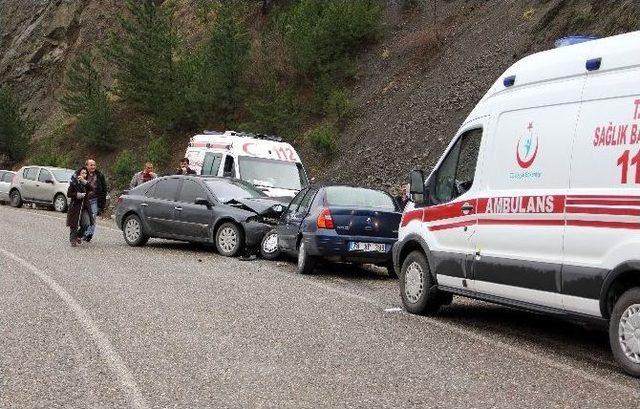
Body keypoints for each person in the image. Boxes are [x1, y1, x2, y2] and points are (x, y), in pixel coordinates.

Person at [67, 167, 94, 247]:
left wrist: (84, 182)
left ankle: (79, 235)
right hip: (75, 206)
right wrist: (77, 195)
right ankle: (72, 239)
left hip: (85, 207)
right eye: (83, 173)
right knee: (74, 224)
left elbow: (91, 188)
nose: (84, 175)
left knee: (87, 223)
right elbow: (69, 194)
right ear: (79, 174)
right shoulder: (74, 183)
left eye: (85, 173)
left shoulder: (86, 183)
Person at [83, 159, 108, 242]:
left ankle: (89, 234)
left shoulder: (99, 175)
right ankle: (83, 232)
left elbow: (104, 189)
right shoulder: (82, 174)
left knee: (92, 217)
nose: (93, 167)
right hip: (83, 200)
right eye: (91, 165)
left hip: (94, 200)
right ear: (86, 166)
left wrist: (102, 204)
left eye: (94, 165)